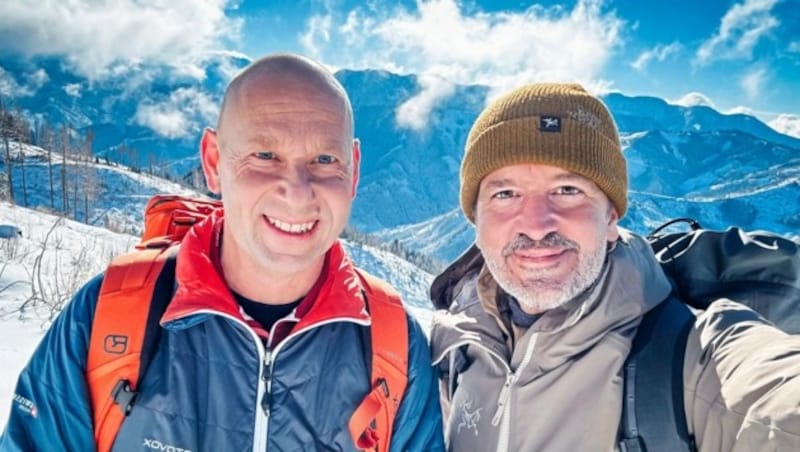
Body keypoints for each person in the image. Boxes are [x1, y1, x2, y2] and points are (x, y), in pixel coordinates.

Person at [0, 54, 444, 451]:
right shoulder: (109, 318)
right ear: (213, 161)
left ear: (354, 170)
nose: (296, 192)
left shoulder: (393, 344)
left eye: (324, 160)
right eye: (265, 154)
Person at [430, 83, 800, 451]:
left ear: (610, 218)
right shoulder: (453, 347)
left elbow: (776, 407)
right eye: (505, 194)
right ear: (475, 220)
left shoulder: (694, 359)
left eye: (567, 190)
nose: (536, 223)